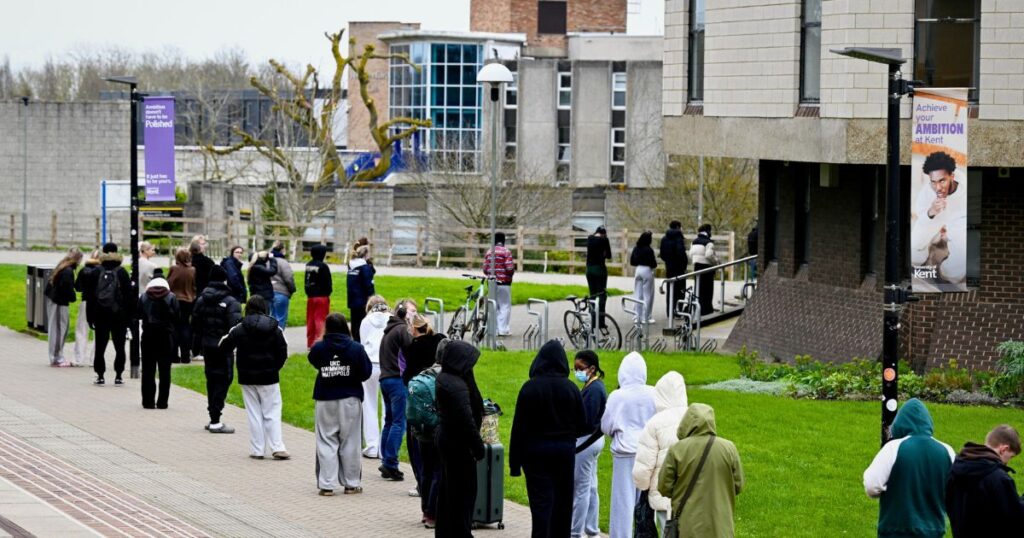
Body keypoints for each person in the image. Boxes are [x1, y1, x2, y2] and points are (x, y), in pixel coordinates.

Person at [510, 340, 588, 538]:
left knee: (541, 504)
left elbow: (519, 428)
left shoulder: (529, 389)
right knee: (562, 503)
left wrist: (514, 464)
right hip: (564, 452)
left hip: (535, 453)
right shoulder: (571, 389)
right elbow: (582, 424)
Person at [863, 399, 955, 538]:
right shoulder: (947, 451)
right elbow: (955, 492)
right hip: (933, 531)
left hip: (896, 530)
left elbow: (872, 485)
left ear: (900, 423)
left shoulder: (894, 448)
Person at [308, 313, 373, 496]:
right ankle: (351, 483)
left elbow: (313, 360)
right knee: (351, 441)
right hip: (350, 398)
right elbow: (366, 372)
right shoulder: (356, 348)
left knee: (326, 440)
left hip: (325, 397)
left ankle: (327, 484)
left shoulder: (320, 348)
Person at [219, 295, 290, 460]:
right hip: (269, 376)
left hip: (247, 376)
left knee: (254, 413)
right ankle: (277, 446)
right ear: (264, 308)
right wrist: (275, 368)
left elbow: (223, 346)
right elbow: (283, 351)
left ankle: (257, 449)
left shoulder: (239, 328)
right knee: (272, 411)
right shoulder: (275, 328)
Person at [657, 403, 744, 538]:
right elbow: (738, 486)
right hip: (721, 526)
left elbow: (664, 487)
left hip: (688, 526)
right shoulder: (729, 448)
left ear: (687, 422)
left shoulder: (677, 450)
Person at [601, 351, 656, 538]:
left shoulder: (617, 396)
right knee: (646, 502)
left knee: (622, 502)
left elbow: (605, 425)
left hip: (624, 453)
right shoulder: (653, 393)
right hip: (647, 452)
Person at [434, 340, 485, 538]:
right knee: (463, 492)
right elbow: (466, 420)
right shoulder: (456, 386)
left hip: (449, 440)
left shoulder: (447, 379)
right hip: (458, 445)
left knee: (450, 491)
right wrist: (478, 447)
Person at [403, 315, 447, 526]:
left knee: (427, 469)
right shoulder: (440, 343)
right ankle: (433, 512)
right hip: (438, 424)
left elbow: (406, 376)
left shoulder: (413, 348)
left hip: (421, 425)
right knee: (439, 470)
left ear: (415, 329)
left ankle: (426, 511)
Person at [633, 371, 689, 532]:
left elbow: (644, 464)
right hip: (691, 492)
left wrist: (643, 485)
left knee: (666, 530)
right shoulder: (693, 417)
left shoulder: (655, 423)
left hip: (663, 491)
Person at [946, 424, 1024, 536]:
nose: (1007, 462)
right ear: (1004, 449)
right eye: (1010, 457)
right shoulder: (998, 478)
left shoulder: (956, 469)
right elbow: (1016, 520)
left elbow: (949, 505)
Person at [191, 265, 242, 433]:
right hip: (223, 347)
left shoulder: (201, 300)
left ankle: (213, 415)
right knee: (224, 379)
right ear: (225, 279)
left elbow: (195, 325)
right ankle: (215, 418)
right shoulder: (231, 302)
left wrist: (196, 346)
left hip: (207, 346)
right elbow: (235, 327)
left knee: (211, 379)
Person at [570, 350, 607, 538]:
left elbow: (586, 421)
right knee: (591, 486)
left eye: (580, 368)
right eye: (575, 368)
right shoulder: (593, 386)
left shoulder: (593, 390)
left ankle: (575, 532)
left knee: (582, 488)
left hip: (586, 442)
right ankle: (591, 529)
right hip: (594, 441)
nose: (577, 372)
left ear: (592, 369)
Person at [378, 299, 414, 480]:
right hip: (396, 380)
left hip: (385, 379)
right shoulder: (401, 330)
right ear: (403, 314)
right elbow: (412, 351)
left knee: (390, 421)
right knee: (399, 422)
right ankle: (390, 463)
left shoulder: (389, 330)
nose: (413, 316)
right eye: (411, 312)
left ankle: (385, 459)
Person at [91, 243, 133, 386]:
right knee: (119, 346)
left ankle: (100, 375)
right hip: (118, 314)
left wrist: (90, 317)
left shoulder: (96, 271)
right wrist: (129, 318)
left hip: (100, 313)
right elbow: (129, 297)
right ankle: (119, 375)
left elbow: (90, 296)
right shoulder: (122, 272)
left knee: (100, 346)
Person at [137, 276, 180, 409]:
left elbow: (138, 314)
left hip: (148, 336)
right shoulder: (171, 297)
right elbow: (177, 317)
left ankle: (148, 401)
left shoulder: (144, 297)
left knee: (148, 370)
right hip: (165, 336)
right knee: (165, 371)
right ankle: (162, 402)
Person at [360, 296, 390, 459]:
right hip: (387, 364)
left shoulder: (366, 321)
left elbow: (363, 343)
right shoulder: (391, 319)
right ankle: (384, 449)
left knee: (369, 405)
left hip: (370, 363)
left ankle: (372, 446)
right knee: (387, 408)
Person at [44, 247, 82, 367]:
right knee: (59, 329)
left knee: (57, 328)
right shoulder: (68, 271)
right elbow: (67, 288)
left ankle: (56, 355)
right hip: (59, 302)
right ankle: (56, 357)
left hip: (54, 299)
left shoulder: (63, 266)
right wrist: (73, 297)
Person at [482, 231, 515, 336]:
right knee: (505, 306)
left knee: (493, 305)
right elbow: (509, 268)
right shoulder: (506, 252)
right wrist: (510, 274)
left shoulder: (489, 252)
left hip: (492, 282)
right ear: (503, 240)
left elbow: (485, 269)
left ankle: (494, 329)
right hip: (504, 283)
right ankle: (503, 329)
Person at [167, 247, 196, 364]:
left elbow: (168, 283)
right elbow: (194, 285)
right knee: (185, 327)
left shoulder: (173, 269)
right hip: (188, 300)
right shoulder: (192, 270)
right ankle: (185, 356)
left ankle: (173, 355)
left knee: (173, 328)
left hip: (174, 300)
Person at [72, 249, 101, 367]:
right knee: (99, 332)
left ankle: (79, 358)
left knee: (81, 330)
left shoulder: (84, 270)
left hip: (86, 301)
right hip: (100, 303)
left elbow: (78, 287)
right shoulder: (102, 271)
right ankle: (94, 358)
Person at [305, 244, 332, 349]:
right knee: (320, 320)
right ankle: (319, 342)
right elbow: (327, 282)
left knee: (310, 320)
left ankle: (310, 342)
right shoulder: (323, 266)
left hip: (310, 297)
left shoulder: (308, 265)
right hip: (322, 297)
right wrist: (328, 292)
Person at [659, 221, 688, 318]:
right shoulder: (678, 238)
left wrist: (668, 261)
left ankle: (669, 312)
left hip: (669, 268)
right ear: (678, 227)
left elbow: (662, 254)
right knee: (680, 291)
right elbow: (681, 254)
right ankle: (678, 311)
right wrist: (684, 264)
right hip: (679, 269)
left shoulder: (664, 238)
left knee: (670, 290)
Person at [347, 244, 375, 342]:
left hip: (352, 299)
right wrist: (371, 296)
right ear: (366, 255)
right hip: (363, 300)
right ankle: (362, 340)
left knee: (354, 322)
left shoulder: (351, 266)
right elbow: (369, 283)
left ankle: (355, 340)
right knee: (363, 322)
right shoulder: (364, 267)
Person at [689, 224, 718, 316]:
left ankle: (698, 308)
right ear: (708, 231)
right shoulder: (709, 243)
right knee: (708, 290)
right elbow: (709, 255)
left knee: (698, 288)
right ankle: (707, 309)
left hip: (697, 267)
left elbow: (690, 254)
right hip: (707, 268)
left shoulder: (693, 242)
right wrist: (716, 262)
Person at [585, 226, 612, 325]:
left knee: (592, 295)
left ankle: (592, 320)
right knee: (601, 295)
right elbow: (609, 255)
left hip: (589, 270)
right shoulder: (604, 240)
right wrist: (603, 254)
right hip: (600, 270)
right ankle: (600, 321)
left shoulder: (590, 238)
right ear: (604, 234)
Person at [630, 231, 657, 324]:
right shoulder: (649, 250)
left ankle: (637, 316)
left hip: (638, 270)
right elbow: (654, 264)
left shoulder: (636, 248)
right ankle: (646, 317)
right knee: (648, 294)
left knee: (638, 294)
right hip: (647, 270)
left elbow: (632, 261)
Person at [269, 242, 296, 331]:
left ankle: (269, 340)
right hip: (281, 293)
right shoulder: (283, 262)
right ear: (282, 250)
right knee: (280, 318)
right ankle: (278, 339)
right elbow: (288, 278)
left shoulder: (267, 261)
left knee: (270, 317)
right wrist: (292, 290)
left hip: (268, 293)